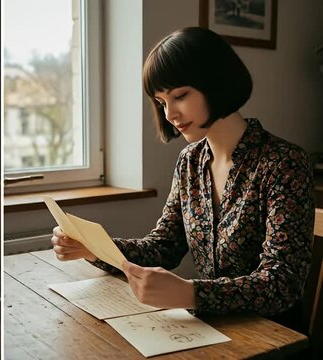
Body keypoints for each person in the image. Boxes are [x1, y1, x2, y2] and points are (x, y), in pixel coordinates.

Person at [51, 27, 314, 331]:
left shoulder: (284, 163)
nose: (170, 114)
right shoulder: (189, 162)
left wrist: (190, 292)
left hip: (273, 336)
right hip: (206, 328)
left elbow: (282, 284)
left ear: (216, 82)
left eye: (180, 96)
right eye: (161, 101)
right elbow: (163, 247)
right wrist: (93, 248)